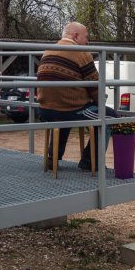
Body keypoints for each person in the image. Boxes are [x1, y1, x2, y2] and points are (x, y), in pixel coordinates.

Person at [37, 22, 117, 170]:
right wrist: (100, 101)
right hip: (68, 110)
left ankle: (52, 158)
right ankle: (90, 162)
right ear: (75, 36)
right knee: (110, 116)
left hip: (44, 109)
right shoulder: (81, 52)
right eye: (86, 37)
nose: (87, 42)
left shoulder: (48, 51)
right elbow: (95, 86)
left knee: (63, 113)